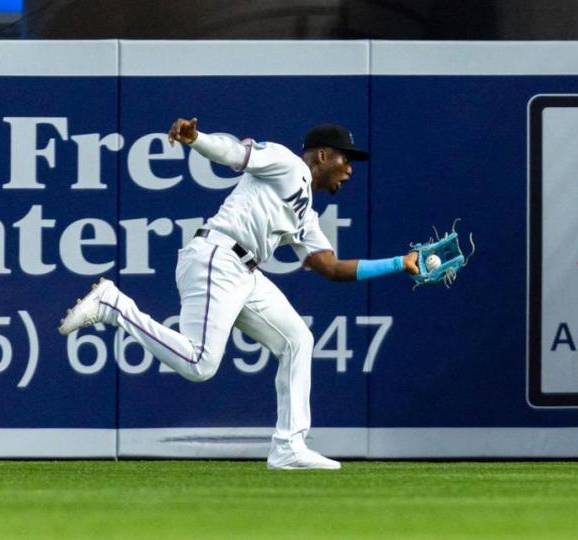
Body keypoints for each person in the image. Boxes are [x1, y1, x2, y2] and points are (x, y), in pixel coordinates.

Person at [59, 118, 418, 470]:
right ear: (323, 155)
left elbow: (331, 268)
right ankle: (113, 305)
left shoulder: (306, 213)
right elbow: (233, 153)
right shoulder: (287, 164)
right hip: (218, 257)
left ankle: (289, 446)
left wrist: (399, 263)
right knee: (199, 364)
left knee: (297, 340)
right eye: (346, 158)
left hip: (245, 272)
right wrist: (196, 139)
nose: (350, 169)